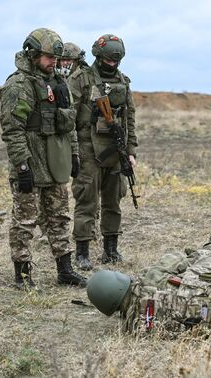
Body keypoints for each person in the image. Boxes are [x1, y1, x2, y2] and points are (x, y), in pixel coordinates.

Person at [0, 27, 88, 289]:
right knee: (24, 222)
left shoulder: (58, 83)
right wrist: (22, 165)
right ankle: (23, 276)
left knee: (60, 218)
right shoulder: (18, 85)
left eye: (56, 58)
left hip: (55, 165)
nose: (54, 63)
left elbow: (68, 123)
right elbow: (12, 130)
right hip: (30, 165)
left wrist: (73, 153)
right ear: (34, 54)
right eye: (49, 57)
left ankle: (65, 270)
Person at [68, 34, 138, 270]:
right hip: (88, 148)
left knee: (113, 201)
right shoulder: (81, 79)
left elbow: (129, 118)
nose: (112, 63)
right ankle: (82, 252)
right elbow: (69, 118)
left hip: (115, 150)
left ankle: (111, 250)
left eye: (115, 60)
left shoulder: (124, 81)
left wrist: (131, 151)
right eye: (108, 59)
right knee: (86, 200)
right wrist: (73, 152)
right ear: (98, 56)